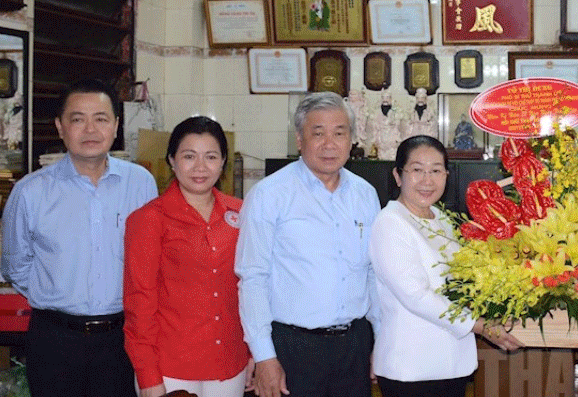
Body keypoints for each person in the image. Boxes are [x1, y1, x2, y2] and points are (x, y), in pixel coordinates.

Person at [1, 79, 158, 397]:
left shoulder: (141, 183)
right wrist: (58, 294)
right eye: (77, 119)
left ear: (115, 125)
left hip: (122, 339)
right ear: (60, 127)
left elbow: (151, 257)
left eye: (100, 118)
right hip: (54, 340)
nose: (90, 129)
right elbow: (15, 263)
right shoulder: (31, 191)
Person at [236, 92, 380, 397]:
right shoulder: (269, 194)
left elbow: (372, 274)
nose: (329, 144)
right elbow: (253, 278)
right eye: (318, 133)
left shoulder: (365, 194)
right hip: (293, 347)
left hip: (354, 346)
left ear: (351, 139)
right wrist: (264, 356)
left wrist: (379, 340)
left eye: (339, 133)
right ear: (299, 139)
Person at [369, 135, 522, 397]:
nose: (427, 180)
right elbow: (416, 296)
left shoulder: (440, 218)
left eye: (436, 171)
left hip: (452, 363)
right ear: (398, 175)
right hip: (412, 367)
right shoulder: (390, 223)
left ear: (446, 175)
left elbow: (461, 280)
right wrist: (480, 325)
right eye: (417, 170)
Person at [124, 116, 253, 397]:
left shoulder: (241, 213)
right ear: (172, 160)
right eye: (189, 156)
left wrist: (255, 352)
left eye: (210, 157)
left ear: (222, 162)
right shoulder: (148, 220)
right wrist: (148, 378)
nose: (200, 167)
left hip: (230, 363)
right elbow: (139, 305)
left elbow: (252, 289)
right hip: (170, 368)